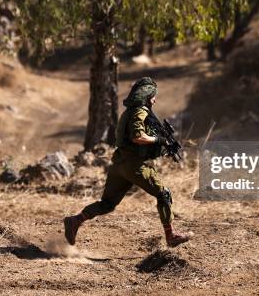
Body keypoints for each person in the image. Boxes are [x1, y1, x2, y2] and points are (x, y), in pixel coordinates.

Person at [64, 77, 192, 248]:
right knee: (164, 194)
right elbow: (137, 137)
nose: (155, 100)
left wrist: (162, 145)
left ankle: (75, 220)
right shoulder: (141, 112)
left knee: (107, 204)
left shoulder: (129, 112)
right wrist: (158, 140)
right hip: (135, 165)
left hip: (119, 164)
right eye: (153, 96)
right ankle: (171, 236)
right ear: (147, 97)